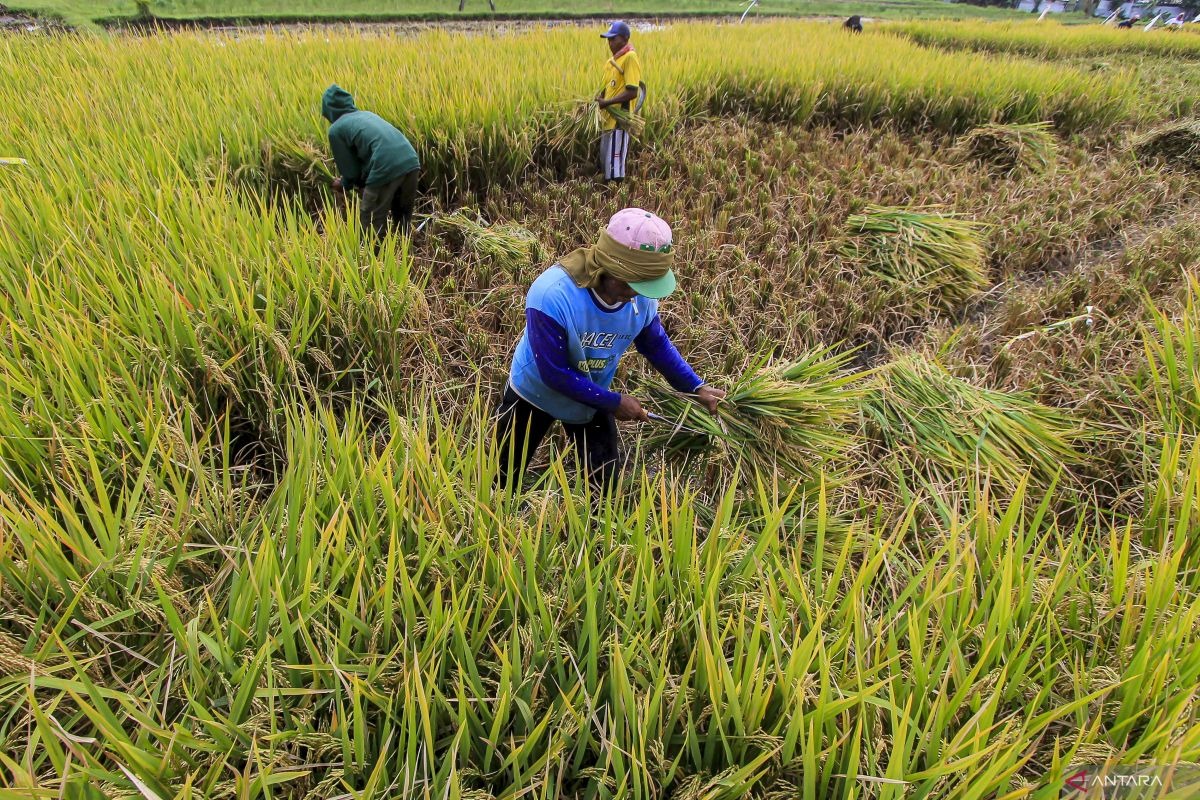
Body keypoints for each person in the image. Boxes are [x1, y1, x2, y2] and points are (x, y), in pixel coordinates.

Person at [495, 208, 725, 492]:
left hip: (591, 395)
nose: (642, 294)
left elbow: (655, 345)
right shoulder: (552, 295)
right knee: (502, 477)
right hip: (534, 393)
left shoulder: (641, 300)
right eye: (638, 284)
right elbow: (553, 373)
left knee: (603, 489)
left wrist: (695, 387)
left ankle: (593, 532)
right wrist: (614, 403)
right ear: (614, 270)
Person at [321, 84, 421, 243]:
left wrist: (343, 184)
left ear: (328, 111)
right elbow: (371, 151)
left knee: (371, 223)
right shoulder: (366, 115)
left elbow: (351, 171)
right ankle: (408, 256)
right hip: (411, 161)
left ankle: (374, 263)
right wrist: (364, 183)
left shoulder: (336, 129)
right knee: (402, 219)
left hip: (385, 166)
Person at [595, 21, 644, 184]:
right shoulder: (610, 63)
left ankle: (617, 200)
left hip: (619, 122)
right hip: (607, 121)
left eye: (613, 39)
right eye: (608, 39)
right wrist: (599, 99)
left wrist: (607, 102)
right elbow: (605, 88)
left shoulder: (630, 57)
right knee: (606, 164)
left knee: (615, 170)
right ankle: (609, 199)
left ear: (624, 38)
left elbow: (632, 91)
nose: (609, 43)